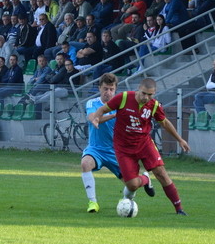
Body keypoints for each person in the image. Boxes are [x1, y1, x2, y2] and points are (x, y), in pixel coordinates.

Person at [90, 78, 190, 216]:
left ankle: (179, 209)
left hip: (144, 144)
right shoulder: (124, 98)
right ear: (138, 89)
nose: (146, 97)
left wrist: (180, 139)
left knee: (161, 173)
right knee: (132, 185)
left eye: (150, 95)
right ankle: (145, 179)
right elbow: (102, 109)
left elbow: (165, 123)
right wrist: (96, 118)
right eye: (144, 93)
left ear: (154, 93)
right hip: (123, 148)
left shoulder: (154, 105)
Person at [81, 73, 150, 213]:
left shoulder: (122, 106)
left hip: (117, 152)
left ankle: (142, 182)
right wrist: (114, 115)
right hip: (96, 149)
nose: (108, 92)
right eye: (105, 89)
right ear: (99, 88)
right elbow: (94, 118)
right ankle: (93, 203)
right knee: (85, 163)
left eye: (111, 89)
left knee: (132, 185)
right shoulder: (92, 103)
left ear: (115, 89)